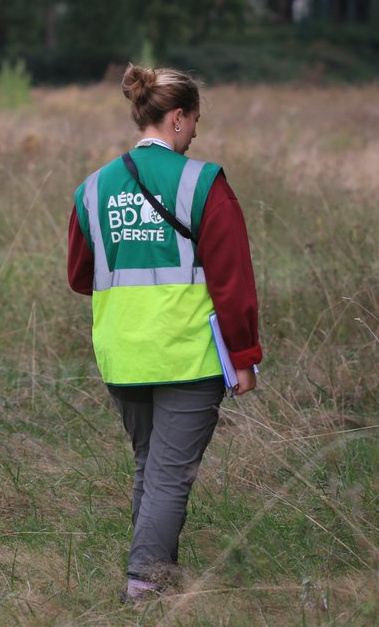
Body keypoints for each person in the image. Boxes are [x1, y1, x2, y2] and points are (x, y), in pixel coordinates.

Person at [67, 64, 262, 601]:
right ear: (177, 117)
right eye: (195, 120)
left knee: (152, 466)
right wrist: (244, 356)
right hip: (185, 355)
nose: (196, 132)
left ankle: (155, 580)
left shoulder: (93, 187)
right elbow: (233, 279)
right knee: (170, 475)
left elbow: (79, 276)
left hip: (121, 354)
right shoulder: (203, 183)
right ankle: (147, 587)